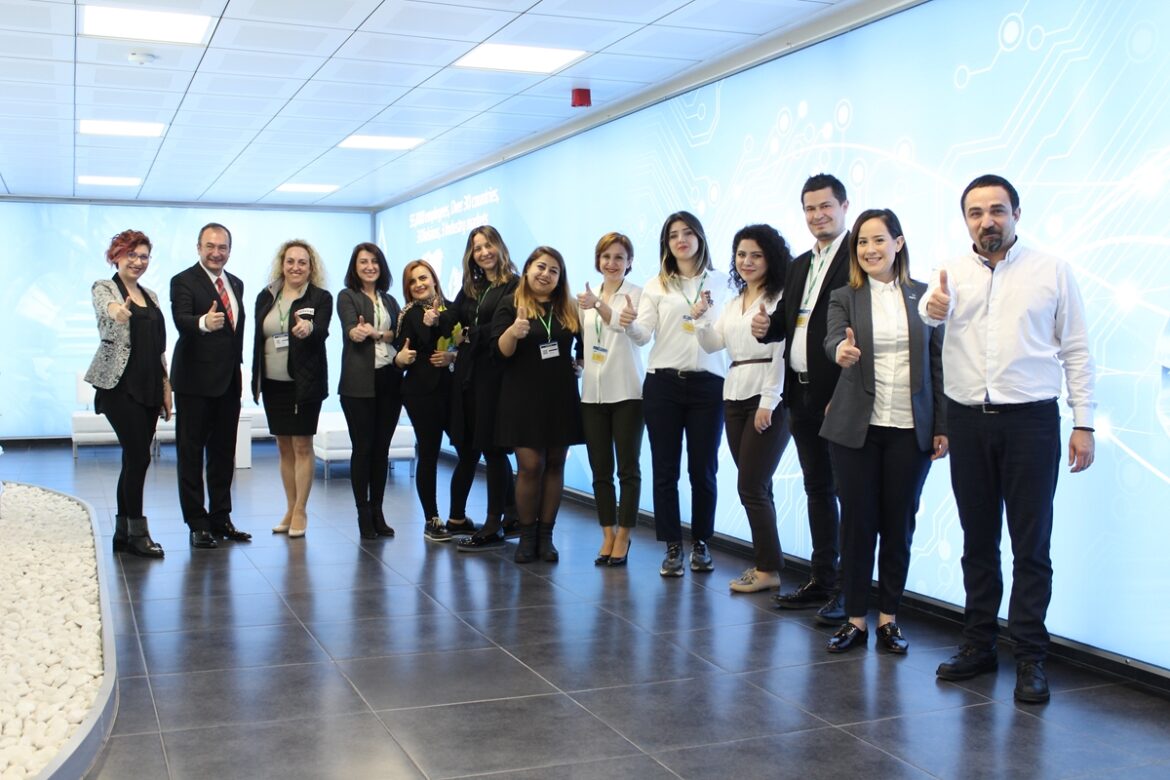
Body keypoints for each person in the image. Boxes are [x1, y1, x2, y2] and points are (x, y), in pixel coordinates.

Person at [921, 174, 1095, 703]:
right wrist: (931, 311)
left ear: (1016, 213)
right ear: (965, 220)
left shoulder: (1052, 270)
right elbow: (928, 317)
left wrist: (1083, 421)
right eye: (975, 213)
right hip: (968, 420)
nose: (987, 221)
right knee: (977, 541)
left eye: (997, 210)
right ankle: (979, 645)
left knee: (1031, 545)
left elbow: (1076, 349)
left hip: (1031, 423)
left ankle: (1030, 658)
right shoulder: (949, 273)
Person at [819, 209, 947, 654]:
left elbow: (938, 362)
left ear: (898, 242)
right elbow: (831, 339)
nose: (869, 250)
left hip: (910, 429)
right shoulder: (844, 296)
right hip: (856, 428)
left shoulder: (923, 296)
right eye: (861, 242)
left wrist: (942, 425)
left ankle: (889, 619)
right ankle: (855, 619)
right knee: (857, 523)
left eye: (878, 240)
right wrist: (840, 351)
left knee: (899, 523)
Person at [752, 173, 850, 623]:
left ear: (843, 207)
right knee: (818, 488)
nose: (817, 215)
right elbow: (789, 321)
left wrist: (844, 392)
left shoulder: (858, 257)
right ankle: (822, 579)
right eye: (810, 208)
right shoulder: (798, 265)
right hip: (801, 392)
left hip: (839, 395)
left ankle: (849, 590)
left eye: (825, 206)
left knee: (848, 492)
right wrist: (766, 327)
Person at [626, 211, 727, 577]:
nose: (681, 240)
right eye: (673, 235)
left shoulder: (722, 281)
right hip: (663, 384)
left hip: (708, 385)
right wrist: (629, 326)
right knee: (665, 469)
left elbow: (727, 331)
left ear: (699, 237)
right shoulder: (656, 285)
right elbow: (643, 335)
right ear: (666, 244)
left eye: (687, 233)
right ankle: (672, 545)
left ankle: (701, 542)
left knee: (704, 469)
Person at [697, 224, 791, 592]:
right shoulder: (734, 301)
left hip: (767, 397)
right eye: (741, 254)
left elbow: (781, 353)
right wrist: (700, 316)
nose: (747, 261)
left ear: (771, 258)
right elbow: (712, 344)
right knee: (757, 485)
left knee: (750, 485)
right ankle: (769, 564)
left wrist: (769, 401)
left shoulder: (779, 297)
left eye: (756, 255)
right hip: (734, 395)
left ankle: (768, 569)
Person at [493, 247, 584, 563]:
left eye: (554, 271)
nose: (546, 274)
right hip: (522, 398)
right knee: (531, 466)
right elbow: (500, 351)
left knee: (555, 463)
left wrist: (580, 363)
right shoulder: (511, 304)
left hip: (560, 396)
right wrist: (513, 332)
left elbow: (584, 344)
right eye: (541, 267)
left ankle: (546, 537)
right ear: (528, 268)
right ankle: (527, 535)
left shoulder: (568, 308)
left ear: (560, 278)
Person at [85, 229, 170, 558]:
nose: (137, 261)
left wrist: (166, 387)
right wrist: (115, 311)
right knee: (139, 457)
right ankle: (138, 533)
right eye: (131, 254)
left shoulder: (152, 296)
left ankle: (122, 534)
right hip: (119, 387)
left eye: (143, 256)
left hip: (149, 386)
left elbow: (159, 348)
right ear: (116, 256)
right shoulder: (105, 287)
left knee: (133, 458)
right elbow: (105, 306)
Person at [170, 222, 252, 549]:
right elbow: (181, 320)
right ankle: (197, 523)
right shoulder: (183, 280)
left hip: (229, 382)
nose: (216, 253)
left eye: (222, 247)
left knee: (223, 454)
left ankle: (221, 518)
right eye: (210, 246)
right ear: (198, 248)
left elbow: (235, 333)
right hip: (194, 383)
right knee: (190, 455)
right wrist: (204, 322)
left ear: (229, 250)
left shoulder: (236, 283)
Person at [252, 240, 332, 539]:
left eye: (302, 262)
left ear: (311, 267)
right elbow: (258, 336)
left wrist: (308, 328)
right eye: (290, 261)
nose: (295, 267)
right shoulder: (267, 295)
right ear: (282, 264)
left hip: (304, 383)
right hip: (272, 383)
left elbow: (321, 330)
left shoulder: (320, 297)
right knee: (283, 446)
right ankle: (289, 507)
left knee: (301, 445)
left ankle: (301, 510)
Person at [450, 225, 519, 552]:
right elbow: (453, 320)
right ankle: (511, 514)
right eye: (477, 248)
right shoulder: (472, 287)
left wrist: (471, 334)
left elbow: (501, 326)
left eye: (488, 245)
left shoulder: (514, 285)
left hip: (497, 374)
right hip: (470, 375)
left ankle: (493, 526)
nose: (484, 252)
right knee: (486, 445)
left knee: (493, 448)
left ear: (500, 247)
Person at [577, 232, 644, 567]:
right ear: (598, 260)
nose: (612, 263)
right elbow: (584, 341)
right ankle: (607, 532)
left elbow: (636, 334)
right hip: (592, 393)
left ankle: (624, 534)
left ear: (629, 262)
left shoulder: (637, 294)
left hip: (628, 392)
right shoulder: (586, 299)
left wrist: (599, 306)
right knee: (600, 469)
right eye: (606, 257)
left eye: (619, 257)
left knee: (628, 469)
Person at [337, 243, 402, 540]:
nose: (369, 267)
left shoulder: (389, 300)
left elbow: (398, 334)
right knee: (363, 449)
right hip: (358, 384)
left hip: (389, 380)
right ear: (355, 266)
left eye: (374, 261)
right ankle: (363, 513)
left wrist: (378, 333)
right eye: (363, 262)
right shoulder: (347, 296)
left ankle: (378, 510)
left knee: (381, 450)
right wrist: (358, 332)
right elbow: (351, 329)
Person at [396, 258, 461, 542]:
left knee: (469, 450)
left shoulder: (454, 308)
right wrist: (429, 323)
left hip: (455, 390)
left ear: (434, 279)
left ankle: (458, 517)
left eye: (423, 278)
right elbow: (405, 348)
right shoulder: (409, 314)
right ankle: (431, 519)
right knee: (430, 453)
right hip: (422, 393)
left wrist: (453, 356)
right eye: (413, 281)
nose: (419, 284)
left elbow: (466, 343)